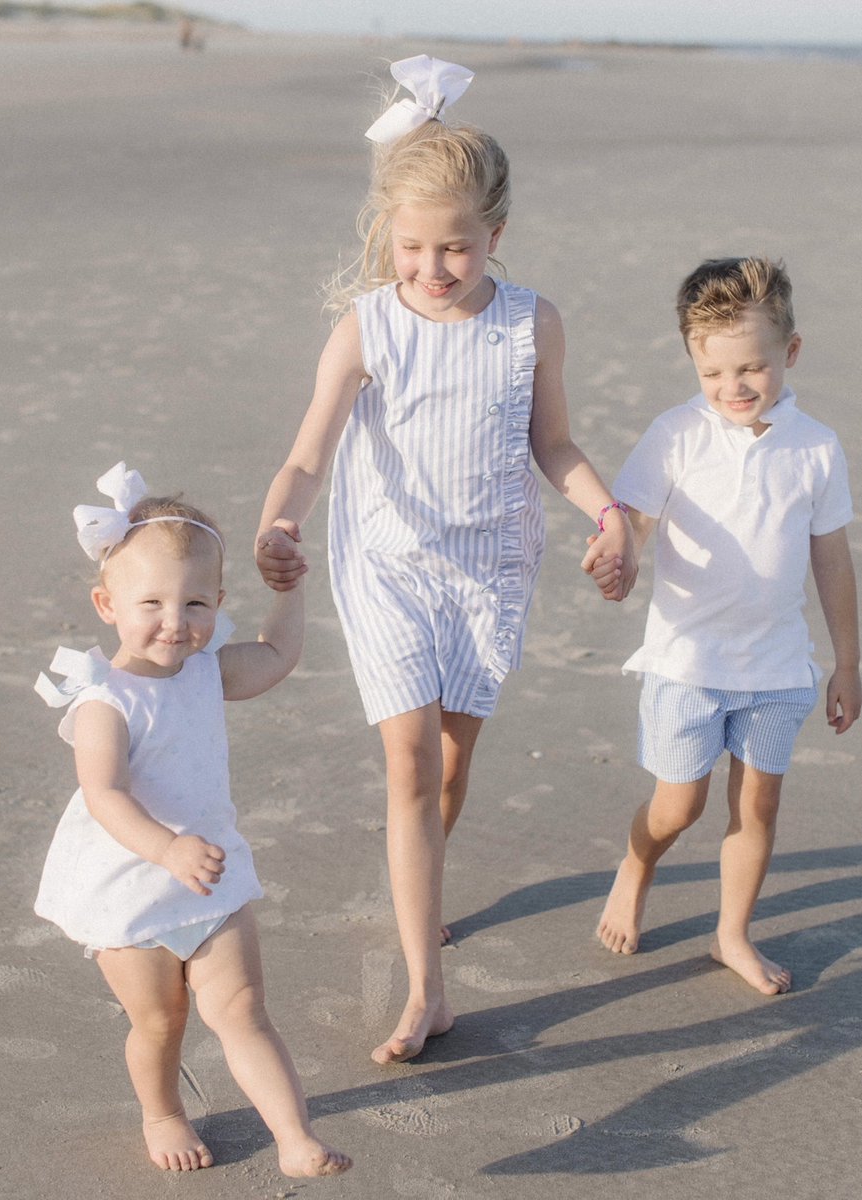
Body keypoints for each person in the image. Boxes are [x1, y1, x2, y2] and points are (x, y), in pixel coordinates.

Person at [255, 56, 636, 1065]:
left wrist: (608, 514)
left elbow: (552, 447)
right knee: (410, 762)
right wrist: (278, 525)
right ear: (389, 234)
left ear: (494, 237)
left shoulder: (529, 326)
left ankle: (420, 879)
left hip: (489, 568)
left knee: (452, 764)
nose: (432, 267)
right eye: (413, 246)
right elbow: (307, 454)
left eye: (456, 248)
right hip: (386, 562)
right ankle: (430, 987)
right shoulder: (368, 327)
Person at [34, 463, 351, 1177]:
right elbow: (104, 795)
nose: (176, 624)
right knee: (160, 1020)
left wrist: (290, 592)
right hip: (130, 881)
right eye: (151, 603)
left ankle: (295, 1139)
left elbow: (276, 657)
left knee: (242, 1008)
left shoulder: (206, 671)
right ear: (106, 604)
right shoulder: (103, 701)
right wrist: (166, 848)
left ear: (216, 603)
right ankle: (163, 1111)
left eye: (195, 605)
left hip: (210, 875)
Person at [590, 256, 861, 994]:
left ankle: (730, 934)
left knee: (757, 805)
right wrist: (618, 554)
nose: (733, 388)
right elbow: (636, 519)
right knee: (678, 805)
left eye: (752, 368)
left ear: (789, 353)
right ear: (692, 361)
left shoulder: (815, 448)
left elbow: (831, 558)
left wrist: (846, 662)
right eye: (713, 374)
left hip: (775, 668)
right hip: (685, 662)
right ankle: (636, 864)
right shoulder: (676, 435)